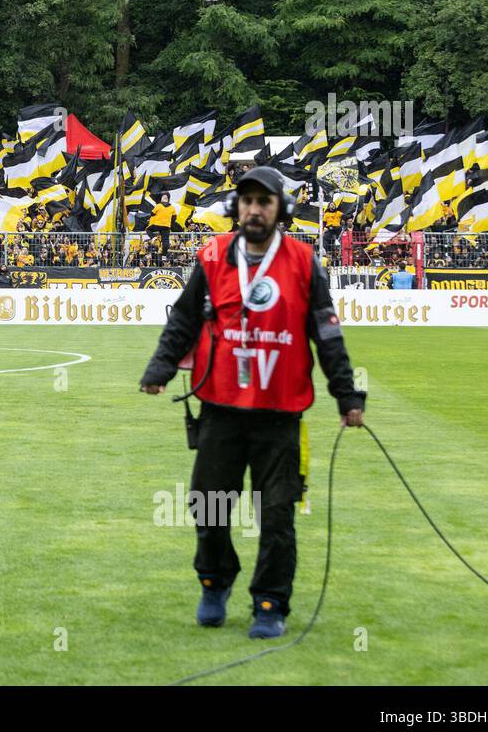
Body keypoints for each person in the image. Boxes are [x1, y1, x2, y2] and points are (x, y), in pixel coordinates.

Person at [139, 166, 365, 640]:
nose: (254, 209)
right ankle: (215, 582)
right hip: (219, 411)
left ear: (280, 208)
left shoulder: (304, 263)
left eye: (264, 201)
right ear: (236, 208)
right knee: (209, 507)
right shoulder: (213, 256)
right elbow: (182, 320)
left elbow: (327, 334)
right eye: (246, 201)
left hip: (280, 416)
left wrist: (347, 394)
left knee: (276, 517)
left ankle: (269, 603)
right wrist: (159, 368)